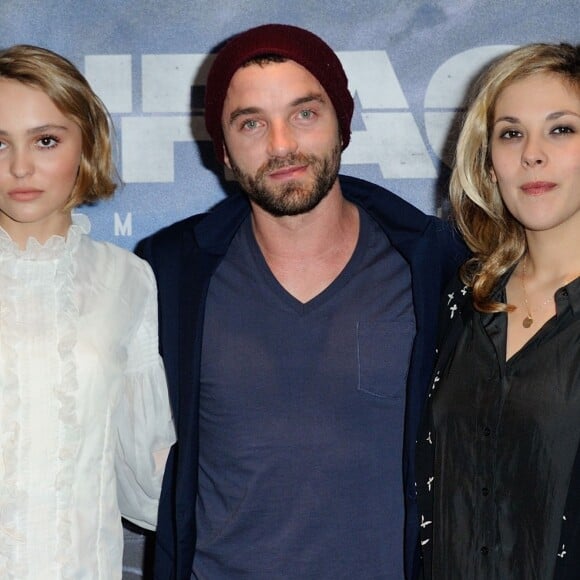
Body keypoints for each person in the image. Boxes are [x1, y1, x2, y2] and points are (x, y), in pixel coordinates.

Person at [137, 24, 465, 580]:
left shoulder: (438, 267)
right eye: (251, 124)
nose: (281, 144)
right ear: (222, 150)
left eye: (304, 114)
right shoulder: (169, 271)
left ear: (343, 123)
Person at [0, 44, 175, 579]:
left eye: (46, 140)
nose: (20, 167)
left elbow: (149, 468)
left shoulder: (128, 278)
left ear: (87, 144)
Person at [416, 42, 580, 579]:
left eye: (561, 129)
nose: (532, 154)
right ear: (488, 163)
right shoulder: (456, 303)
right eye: (512, 133)